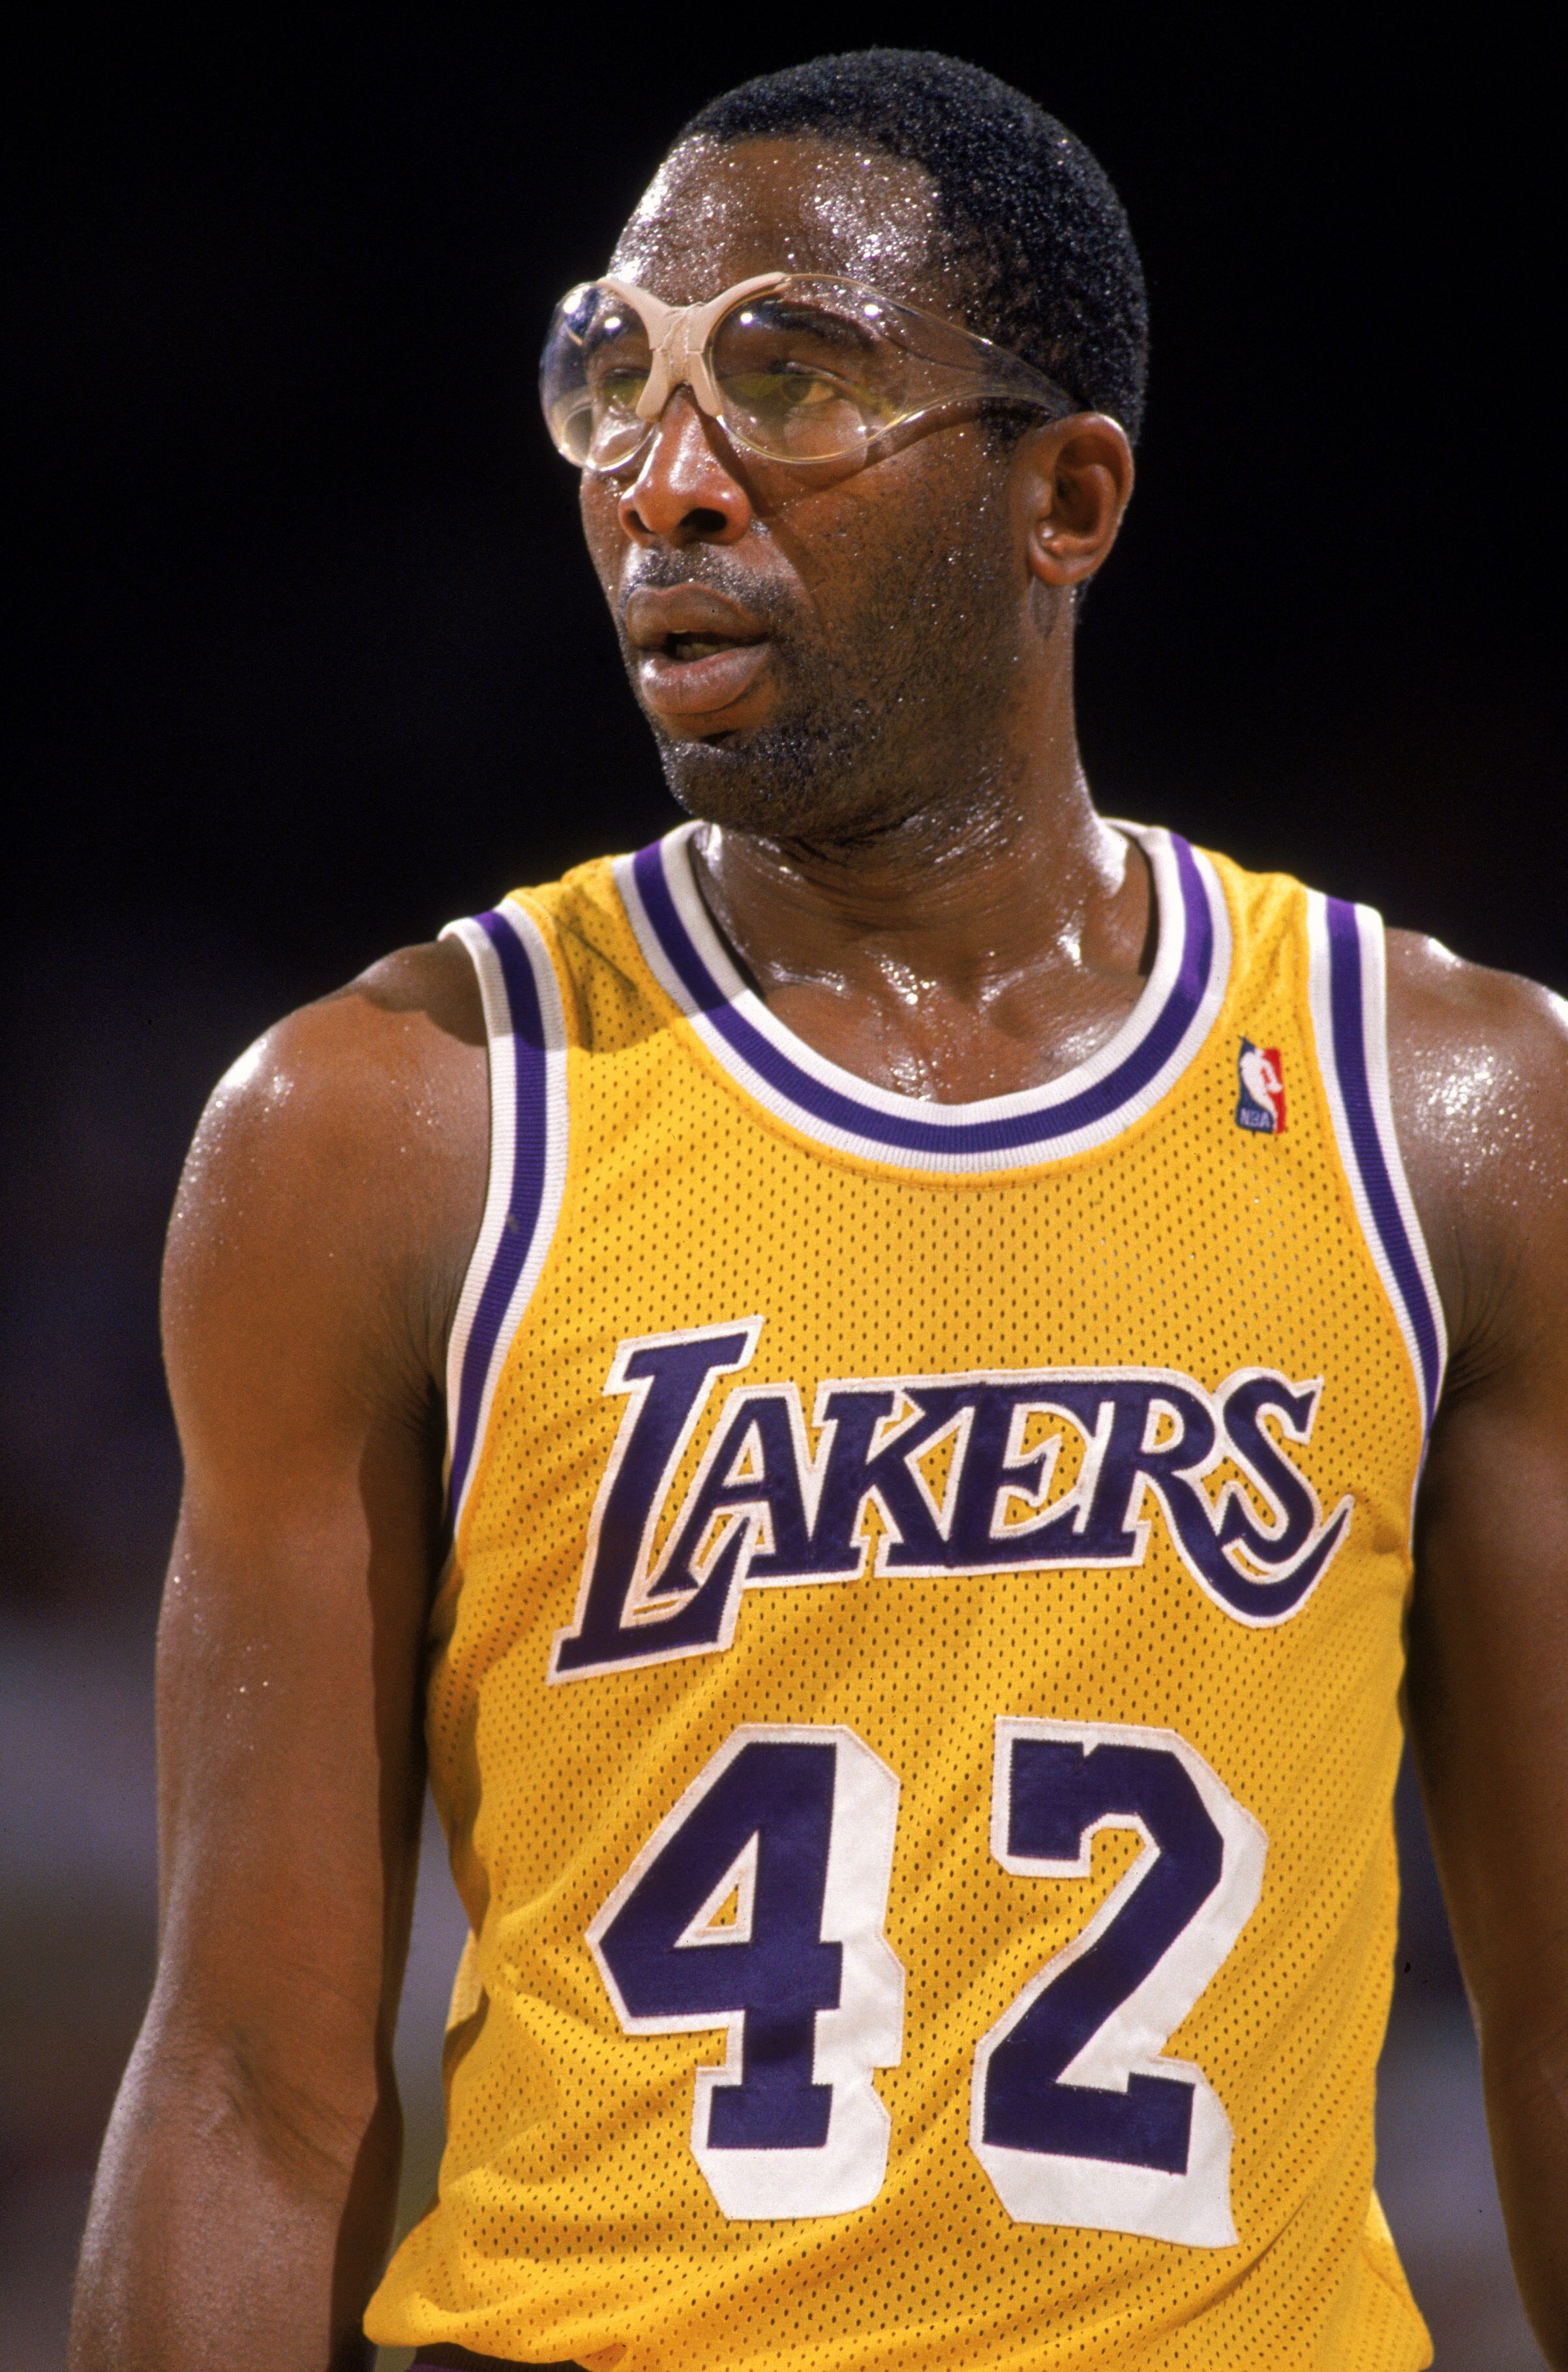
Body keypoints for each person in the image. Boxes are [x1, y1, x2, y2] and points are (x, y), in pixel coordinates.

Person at [68, 47, 1568, 2372]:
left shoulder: (1448, 1114)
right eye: (615, 383)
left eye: (784, 378)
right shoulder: (388, 1125)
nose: (667, 485)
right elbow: (252, 2089)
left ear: (1064, 497)